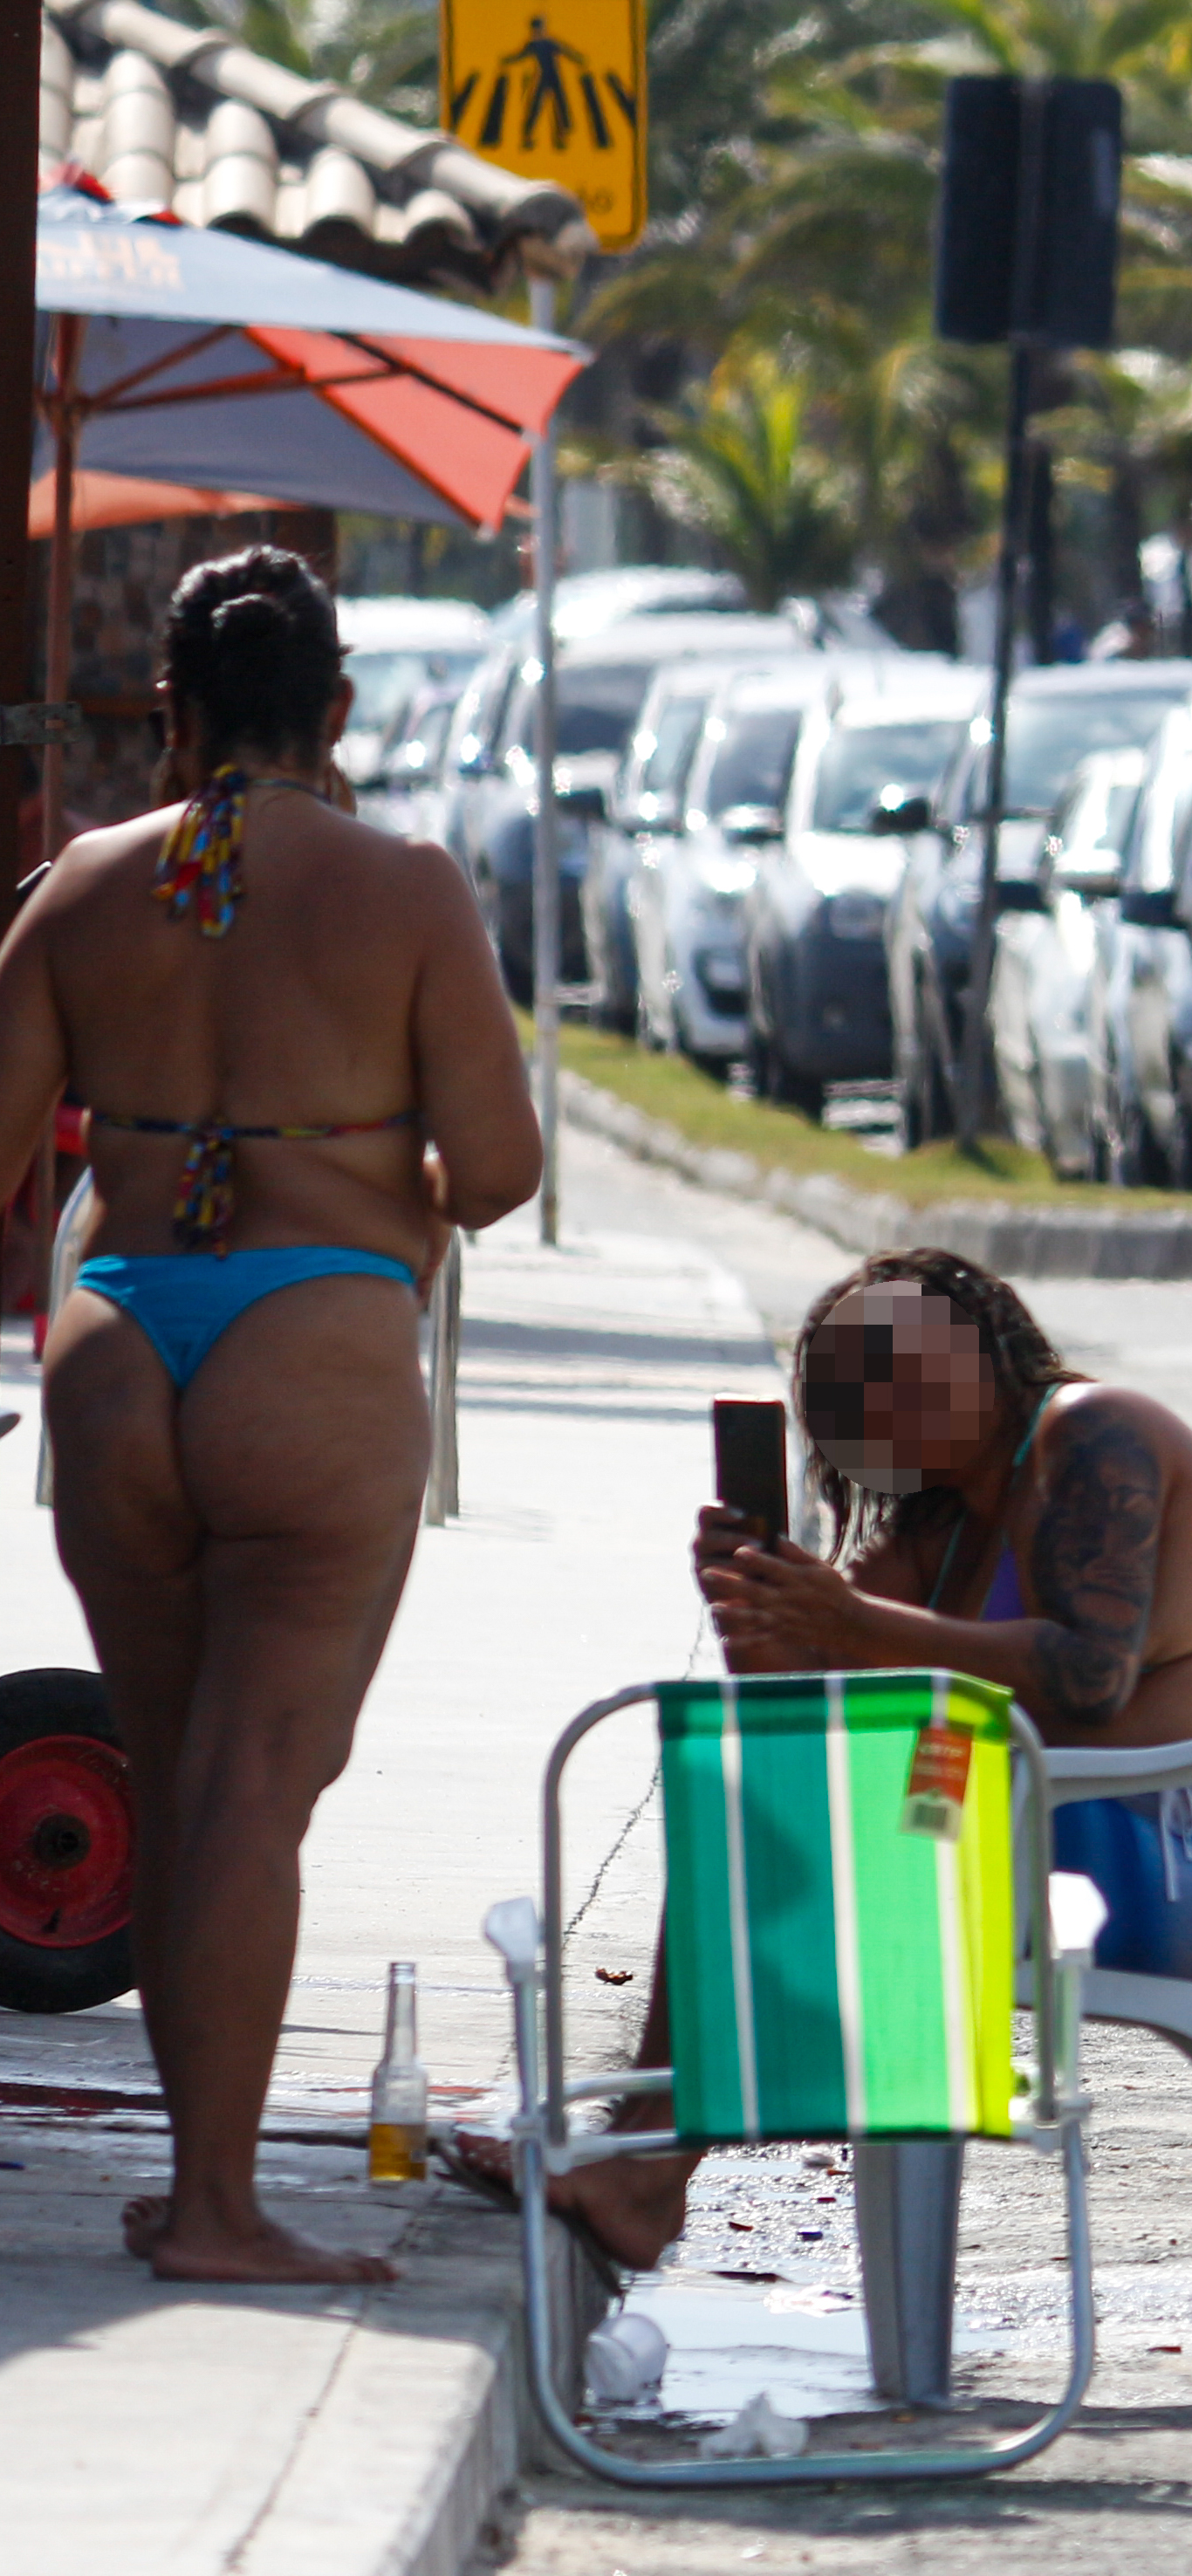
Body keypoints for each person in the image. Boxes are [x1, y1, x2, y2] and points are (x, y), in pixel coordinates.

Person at [0, 545, 543, 2283]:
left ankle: (196, 2183)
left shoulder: (78, 886)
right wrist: (373, 1157)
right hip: (312, 1344)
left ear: (167, 714)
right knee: (251, 1781)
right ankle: (222, 2211)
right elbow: (504, 1170)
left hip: (118, 1339)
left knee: (177, 1773)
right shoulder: (407, 887)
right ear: (338, 709)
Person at [515, 1248, 1192, 2271]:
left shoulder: (1092, 1433)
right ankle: (655, 2152)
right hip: (1073, 1835)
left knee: (802, 1824)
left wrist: (849, 1618)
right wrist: (757, 1606)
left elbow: (1089, 1677)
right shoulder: (939, 1527)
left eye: (907, 1354)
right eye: (852, 1382)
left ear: (986, 1336)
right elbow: (798, 1717)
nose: (889, 1390)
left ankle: (651, 2157)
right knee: (750, 1794)